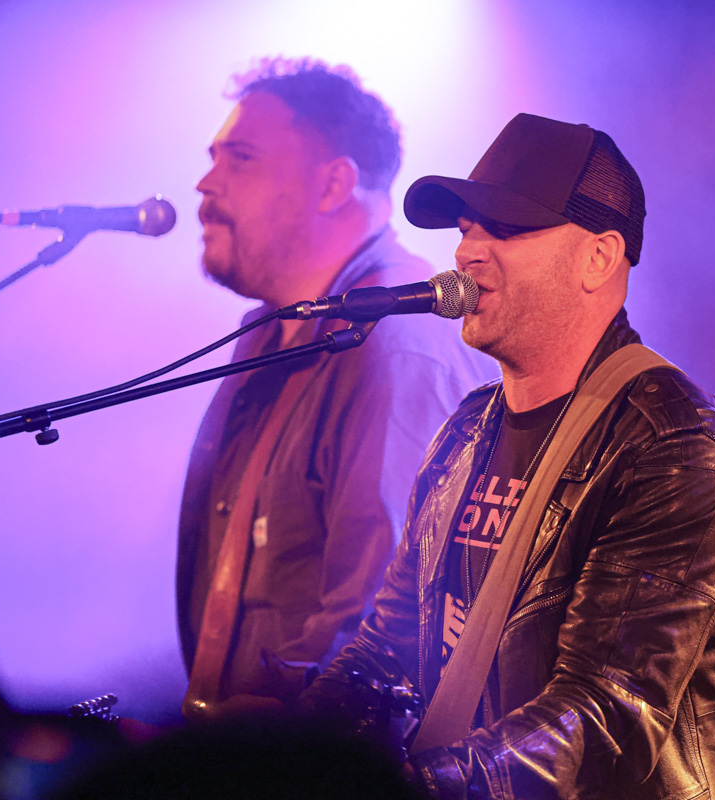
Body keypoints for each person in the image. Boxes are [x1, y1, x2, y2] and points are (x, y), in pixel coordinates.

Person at [301, 113, 715, 799]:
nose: (466, 252)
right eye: (465, 228)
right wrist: (279, 759)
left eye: (505, 228)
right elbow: (388, 647)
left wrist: (411, 787)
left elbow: (603, 717)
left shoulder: (674, 451)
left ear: (599, 257)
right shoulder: (465, 432)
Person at [177, 58, 491, 719]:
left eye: (241, 158)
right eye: (214, 158)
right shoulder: (269, 330)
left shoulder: (399, 343)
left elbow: (385, 624)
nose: (206, 182)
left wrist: (273, 743)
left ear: (333, 185)